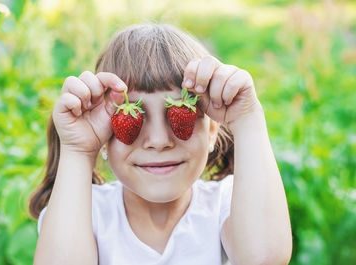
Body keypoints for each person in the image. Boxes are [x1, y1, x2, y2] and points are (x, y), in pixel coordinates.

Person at [29, 23, 292, 265]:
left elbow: (264, 258)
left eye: (179, 114)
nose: (158, 141)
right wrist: (78, 150)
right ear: (104, 138)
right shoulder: (84, 212)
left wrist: (248, 119)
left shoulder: (226, 204)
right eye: (132, 116)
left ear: (212, 130)